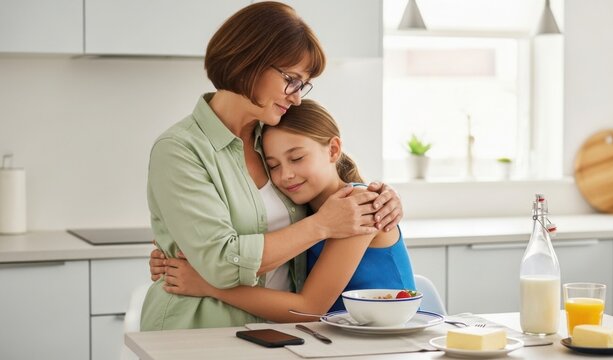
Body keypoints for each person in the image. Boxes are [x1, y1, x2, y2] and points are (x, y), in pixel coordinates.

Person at [141, 1, 403, 331]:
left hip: (280, 332)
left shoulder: (276, 136)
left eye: (303, 84)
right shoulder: (180, 150)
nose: (296, 97)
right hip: (200, 331)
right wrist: (322, 225)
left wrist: (384, 199)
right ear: (249, 61)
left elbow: (330, 180)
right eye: (291, 80)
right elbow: (221, 263)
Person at [156, 99, 416, 323]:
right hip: (341, 341)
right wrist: (174, 255)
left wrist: (210, 286)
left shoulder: (358, 205)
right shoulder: (305, 211)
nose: (286, 175)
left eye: (297, 158)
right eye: (273, 165)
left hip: (391, 341)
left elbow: (309, 308)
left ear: (333, 149)